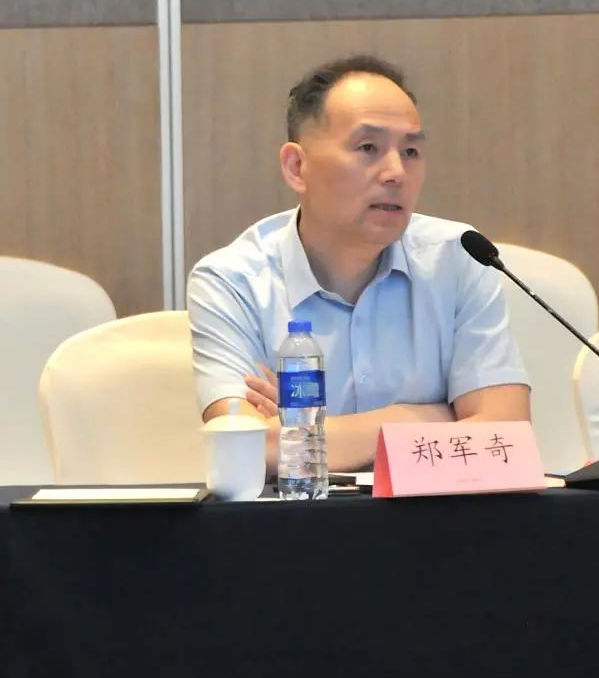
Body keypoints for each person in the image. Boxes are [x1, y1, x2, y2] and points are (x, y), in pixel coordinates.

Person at [187, 55, 530, 473]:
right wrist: (427, 417)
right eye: (368, 148)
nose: (396, 172)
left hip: (435, 514)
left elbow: (505, 438)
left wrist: (305, 432)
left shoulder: (460, 258)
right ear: (297, 167)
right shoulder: (231, 281)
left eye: (411, 151)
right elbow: (248, 447)